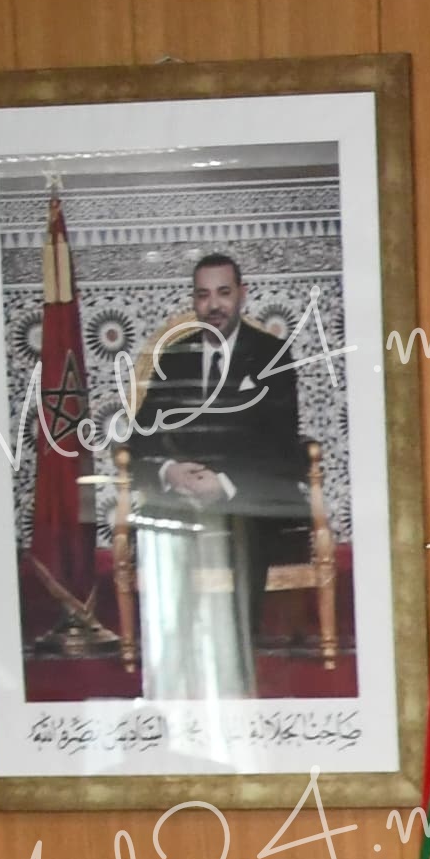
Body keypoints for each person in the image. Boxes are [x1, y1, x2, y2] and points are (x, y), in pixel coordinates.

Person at [119, 252, 311, 704]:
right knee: (161, 531)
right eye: (204, 295)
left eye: (224, 293)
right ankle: (172, 671)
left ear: (242, 295)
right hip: (184, 495)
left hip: (248, 496)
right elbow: (140, 439)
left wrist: (224, 483)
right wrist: (170, 472)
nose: (214, 305)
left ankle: (236, 668)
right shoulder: (175, 358)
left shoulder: (272, 355)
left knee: (244, 524)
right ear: (194, 300)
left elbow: (281, 446)